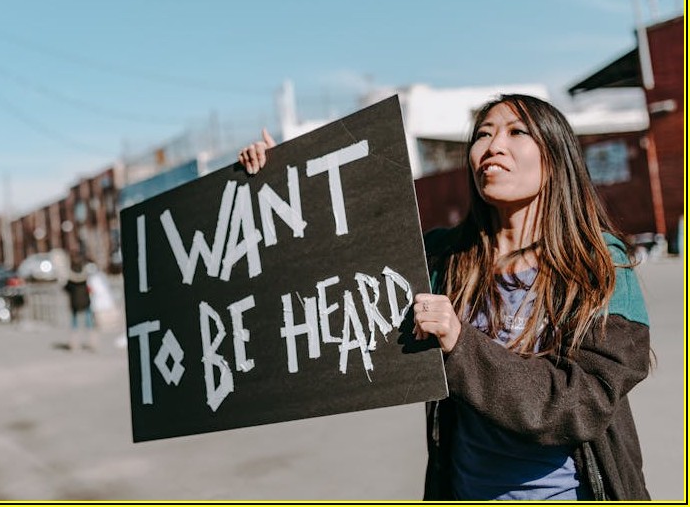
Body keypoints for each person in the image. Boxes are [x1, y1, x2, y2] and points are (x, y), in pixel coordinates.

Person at [238, 94, 651, 500]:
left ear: (556, 157)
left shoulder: (598, 263)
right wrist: (284, 184)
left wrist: (460, 342)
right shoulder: (442, 257)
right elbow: (336, 271)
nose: (493, 146)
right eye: (483, 134)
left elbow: (581, 402)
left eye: (516, 132)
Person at [63, 254, 95, 350]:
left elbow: (66, 288)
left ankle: (74, 344)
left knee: (74, 323)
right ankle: (92, 342)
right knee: (89, 322)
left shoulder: (70, 280)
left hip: (75, 303)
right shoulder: (85, 278)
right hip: (86, 302)